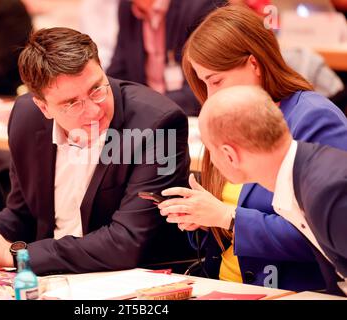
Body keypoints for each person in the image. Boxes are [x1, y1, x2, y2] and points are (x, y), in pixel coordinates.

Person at [0, 27, 194, 275]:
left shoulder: (159, 124)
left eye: (97, 88)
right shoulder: (27, 117)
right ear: (44, 107)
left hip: (139, 279)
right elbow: (23, 214)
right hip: (55, 275)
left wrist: (18, 256)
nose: (94, 110)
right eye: (72, 103)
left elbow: (128, 241)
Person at [158, 5, 347, 292]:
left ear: (254, 65)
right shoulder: (227, 117)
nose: (210, 96)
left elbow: (323, 237)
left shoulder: (313, 117)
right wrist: (200, 219)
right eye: (203, 83)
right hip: (223, 285)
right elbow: (221, 234)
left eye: (216, 81)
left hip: (290, 290)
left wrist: (227, 218)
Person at [197, 85, 347, 296]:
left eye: (210, 150)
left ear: (229, 155)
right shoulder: (304, 176)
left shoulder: (326, 190)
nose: (211, 160)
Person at [106, 0, 226, 116]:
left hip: (192, 118)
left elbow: (207, 86)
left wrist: (149, 107)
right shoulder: (128, 9)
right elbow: (118, 74)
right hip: (147, 117)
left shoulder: (200, 5)